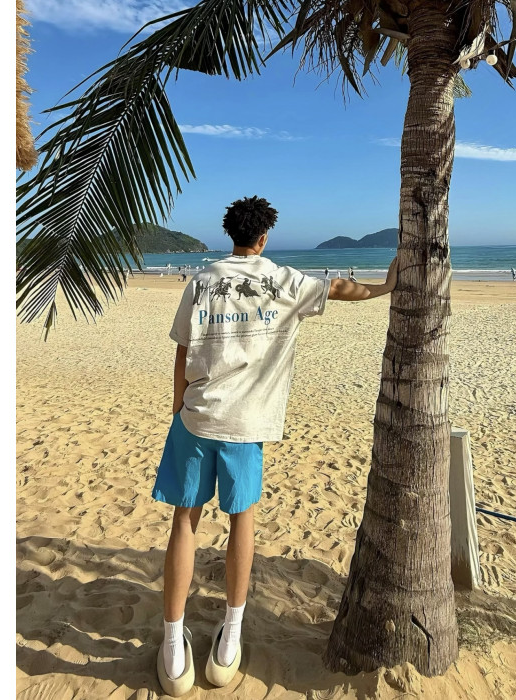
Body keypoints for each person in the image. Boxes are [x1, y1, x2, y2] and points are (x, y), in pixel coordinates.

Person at [151, 195, 398, 696]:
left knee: (184, 522)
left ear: (230, 234)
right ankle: (229, 639)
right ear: (264, 238)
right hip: (246, 425)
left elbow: (182, 351)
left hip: (196, 419)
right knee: (242, 522)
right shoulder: (284, 281)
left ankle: (174, 646)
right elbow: (340, 288)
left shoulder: (201, 281)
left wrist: (178, 407)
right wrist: (387, 286)